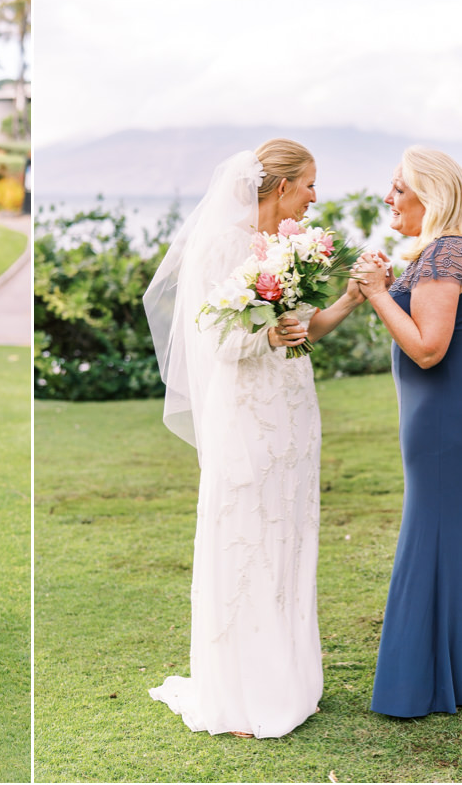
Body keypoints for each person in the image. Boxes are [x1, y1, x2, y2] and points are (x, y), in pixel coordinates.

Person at [143, 139, 368, 738]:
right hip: (245, 407)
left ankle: (290, 679)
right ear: (281, 185)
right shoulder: (222, 244)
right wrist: (264, 339)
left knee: (291, 529)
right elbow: (208, 339)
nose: (317, 196)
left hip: (293, 400)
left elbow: (304, 325)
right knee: (247, 530)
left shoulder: (286, 248)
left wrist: (351, 294)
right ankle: (242, 693)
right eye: (310, 184)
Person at [355, 146, 462, 718]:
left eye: (398, 187)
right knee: (452, 528)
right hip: (455, 408)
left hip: (444, 412)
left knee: (433, 531)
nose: (387, 197)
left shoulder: (448, 251)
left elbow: (427, 348)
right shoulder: (451, 250)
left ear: (433, 193)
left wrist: (379, 293)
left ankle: (425, 678)